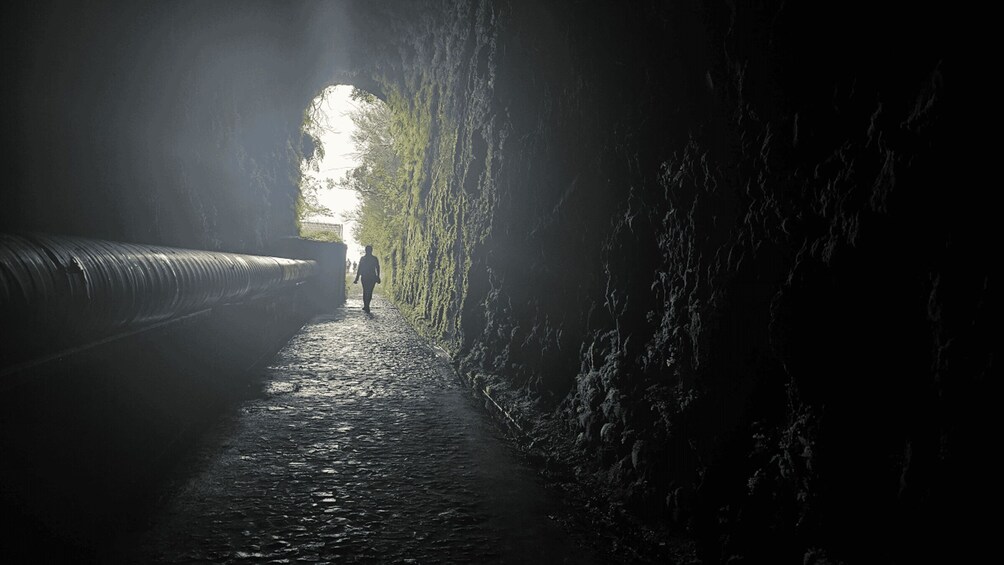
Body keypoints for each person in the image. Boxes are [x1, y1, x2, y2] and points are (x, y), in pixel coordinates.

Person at [353, 245, 381, 313]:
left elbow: (359, 269)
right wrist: (377, 276)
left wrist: (357, 278)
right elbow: (377, 268)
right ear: (371, 250)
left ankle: (366, 305)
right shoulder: (374, 258)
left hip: (365, 277)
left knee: (365, 291)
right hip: (372, 277)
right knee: (369, 291)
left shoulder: (363, 259)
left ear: (366, 250)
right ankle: (367, 305)